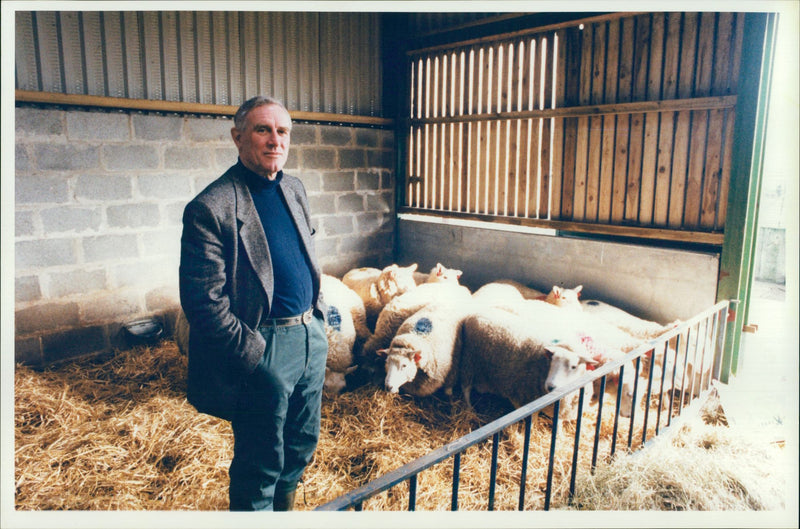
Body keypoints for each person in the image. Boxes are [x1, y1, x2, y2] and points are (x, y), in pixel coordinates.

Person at [179, 95, 328, 511]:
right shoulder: (213, 206)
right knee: (261, 461)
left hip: (308, 337)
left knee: (300, 446)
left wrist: (318, 322)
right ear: (238, 137)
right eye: (263, 130)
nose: (274, 141)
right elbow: (203, 302)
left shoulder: (294, 188)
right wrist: (253, 355)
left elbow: (307, 256)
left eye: (282, 132)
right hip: (264, 345)